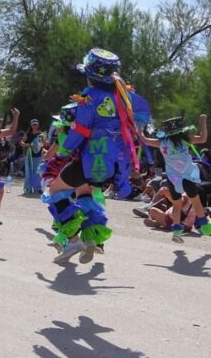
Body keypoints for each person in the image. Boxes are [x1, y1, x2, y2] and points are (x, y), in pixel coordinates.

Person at [47, 48, 151, 263]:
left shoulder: (90, 97)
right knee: (85, 194)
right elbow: (140, 122)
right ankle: (92, 239)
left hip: (91, 159)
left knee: (56, 190)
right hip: (113, 165)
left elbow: (82, 129)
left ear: (90, 75)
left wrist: (65, 150)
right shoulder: (125, 97)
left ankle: (73, 239)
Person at [22, 119, 45, 194]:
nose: (34, 126)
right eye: (33, 124)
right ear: (31, 125)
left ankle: (37, 188)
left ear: (38, 125)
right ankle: (28, 188)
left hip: (38, 156)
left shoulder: (41, 134)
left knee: (37, 172)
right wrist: (26, 144)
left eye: (36, 124)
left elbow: (43, 144)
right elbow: (22, 142)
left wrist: (45, 142)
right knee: (29, 172)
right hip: (29, 156)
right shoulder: (27, 134)